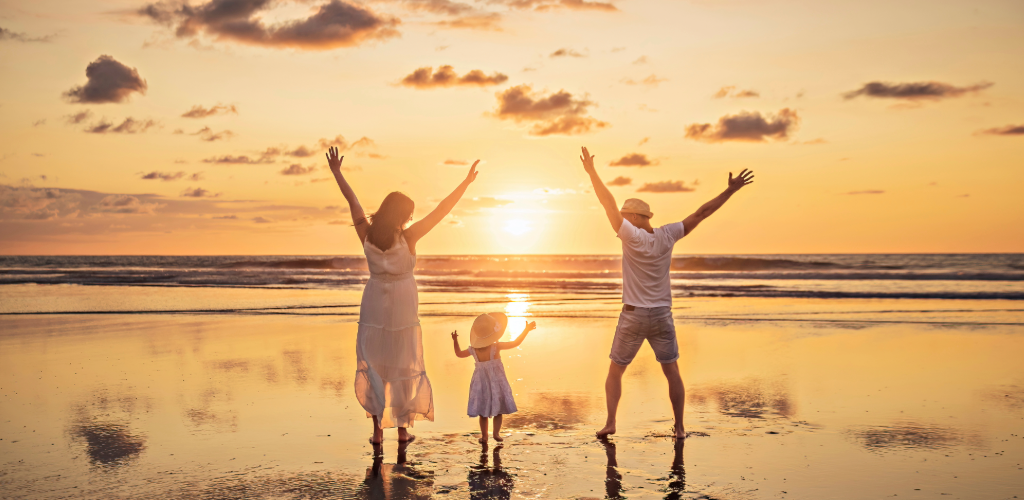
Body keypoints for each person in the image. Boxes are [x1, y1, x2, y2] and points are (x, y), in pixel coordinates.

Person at [576, 146, 754, 439]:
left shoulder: (630, 235)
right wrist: (730, 191)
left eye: (623, 216)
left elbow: (607, 204)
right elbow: (702, 212)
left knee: (615, 371)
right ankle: (680, 428)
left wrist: (592, 172)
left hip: (632, 316)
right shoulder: (668, 234)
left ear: (634, 217)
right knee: (672, 371)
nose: (618, 220)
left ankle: (610, 423)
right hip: (661, 316)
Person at [327, 146, 480, 444]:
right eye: (409, 215)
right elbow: (441, 212)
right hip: (402, 306)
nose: (411, 219)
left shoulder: (366, 233)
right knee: (402, 364)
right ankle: (402, 430)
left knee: (374, 363)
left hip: (373, 303)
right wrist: (465, 182)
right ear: (402, 214)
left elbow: (353, 200)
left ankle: (376, 433)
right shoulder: (408, 237)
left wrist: (337, 172)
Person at [451, 312, 537, 444]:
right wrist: (526, 330)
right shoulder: (496, 346)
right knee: (498, 409)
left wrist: (455, 340)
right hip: (497, 381)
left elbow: (458, 354)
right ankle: (496, 433)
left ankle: (484, 436)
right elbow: (515, 343)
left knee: (482, 411)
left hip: (480, 383)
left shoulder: (473, 349)